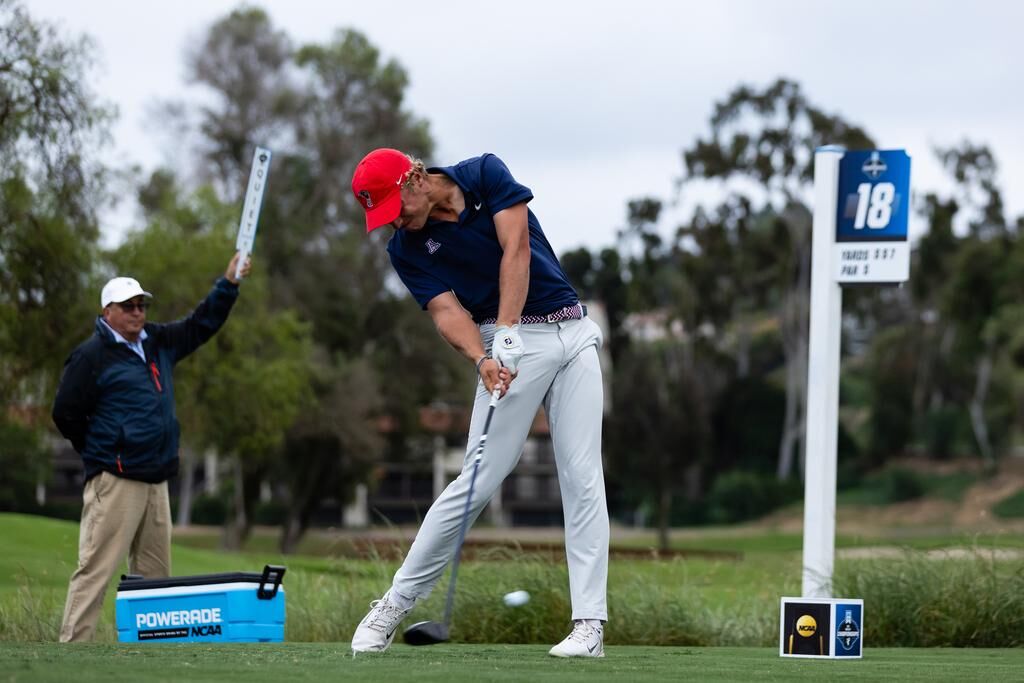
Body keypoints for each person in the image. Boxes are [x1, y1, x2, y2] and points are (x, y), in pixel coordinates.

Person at [349, 149, 609, 657]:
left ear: (415, 178)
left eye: (393, 208)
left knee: (583, 479)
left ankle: (590, 626)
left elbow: (516, 248)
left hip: (573, 331)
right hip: (507, 349)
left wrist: (509, 326)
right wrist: (481, 357)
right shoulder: (405, 249)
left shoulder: (485, 174)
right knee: (477, 480)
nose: (393, 223)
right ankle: (393, 605)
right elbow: (445, 311)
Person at [52, 252, 251, 642]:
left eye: (141, 305)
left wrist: (228, 284)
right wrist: (103, 451)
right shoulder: (91, 355)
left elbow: (201, 325)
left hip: (156, 479)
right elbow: (65, 413)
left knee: (156, 576)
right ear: (107, 311)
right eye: (129, 307)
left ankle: (153, 654)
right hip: (115, 478)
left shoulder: (157, 341)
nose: (138, 313)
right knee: (96, 568)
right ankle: (71, 650)